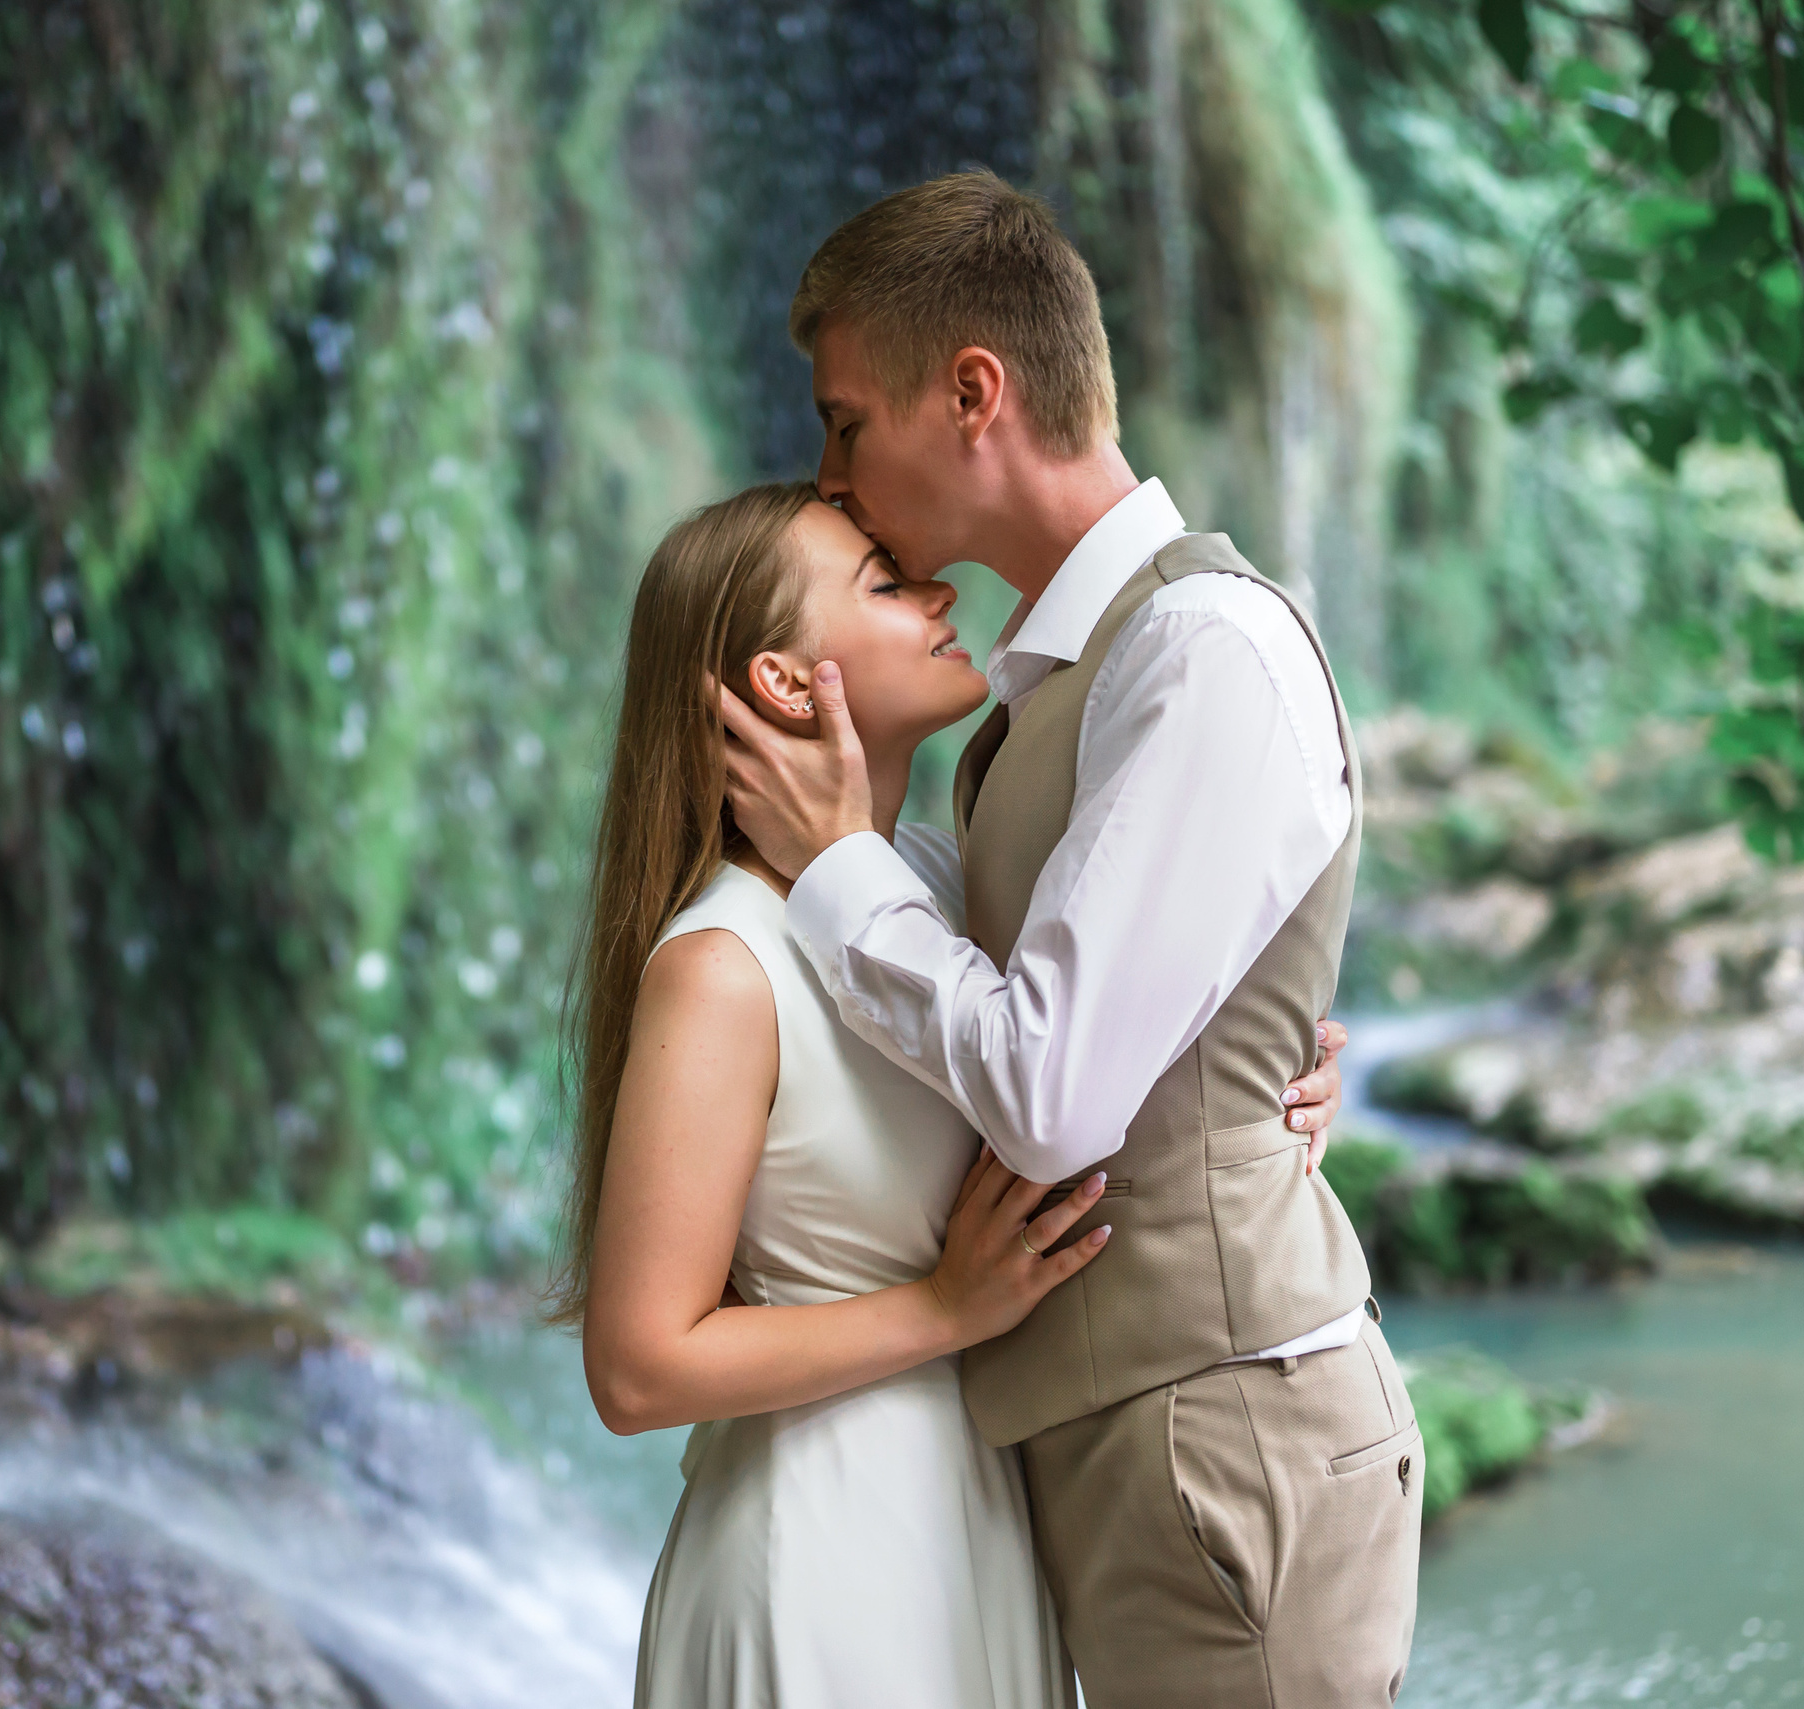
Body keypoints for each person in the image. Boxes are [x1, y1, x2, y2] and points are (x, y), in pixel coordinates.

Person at [716, 172, 1422, 1708]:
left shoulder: (1200, 648)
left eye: (846, 423)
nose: (828, 479)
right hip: (1141, 1438)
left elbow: (1049, 1093)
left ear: (974, 394)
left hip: (1224, 1433)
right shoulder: (1068, 680)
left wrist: (835, 866)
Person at [555, 479, 1350, 1708]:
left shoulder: (933, 890)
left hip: (981, 1520)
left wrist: (1276, 1080)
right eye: (883, 582)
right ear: (783, 682)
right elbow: (638, 1366)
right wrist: (940, 1309)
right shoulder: (721, 965)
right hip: (818, 1556)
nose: (937, 591)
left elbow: (1081, 1047)